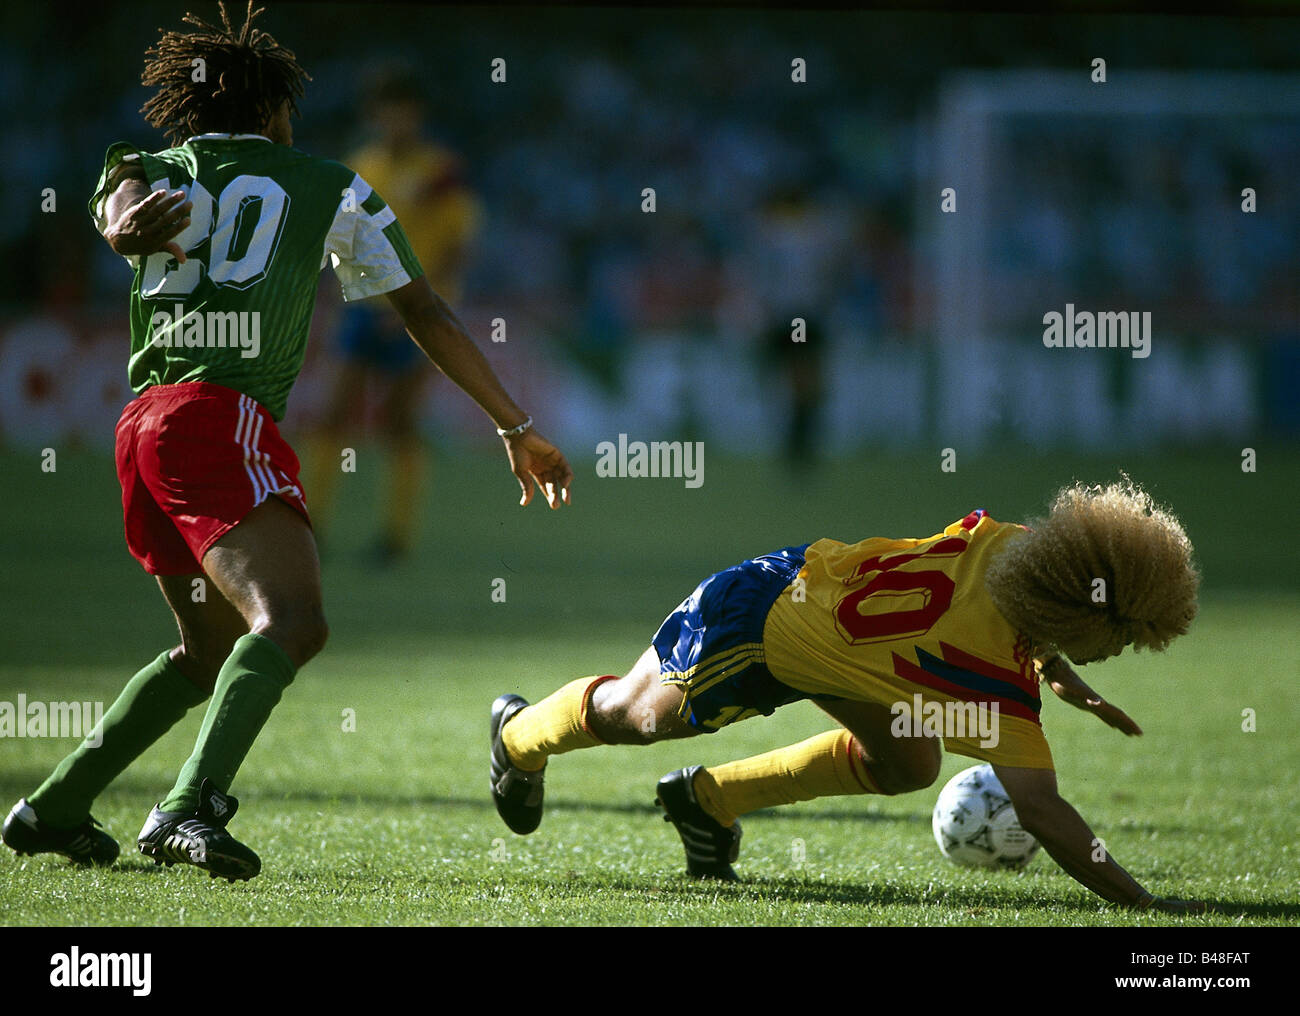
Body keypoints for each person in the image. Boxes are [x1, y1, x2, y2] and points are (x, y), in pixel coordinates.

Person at [2, 1, 572, 882]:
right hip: (218, 418)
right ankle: (187, 808)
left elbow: (116, 210)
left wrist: (120, 227)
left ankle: (55, 807)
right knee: (293, 621)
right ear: (277, 111)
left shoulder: (146, 164)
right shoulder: (331, 185)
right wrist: (516, 424)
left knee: (204, 649)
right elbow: (421, 307)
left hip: (143, 424)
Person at [490, 480, 1207, 914]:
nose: (1120, 652)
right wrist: (1144, 903)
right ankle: (517, 738)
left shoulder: (1017, 551)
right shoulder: (998, 699)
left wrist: (1061, 673)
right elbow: (1045, 811)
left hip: (813, 585)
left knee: (909, 763)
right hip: (757, 634)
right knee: (630, 719)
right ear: (1082, 613)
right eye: (1123, 637)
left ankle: (707, 803)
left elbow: (1019, 622)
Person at [307, 67, 484, 563]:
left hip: (419, 313)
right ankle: (311, 527)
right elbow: (338, 240)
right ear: (375, 115)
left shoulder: (441, 170)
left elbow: (457, 243)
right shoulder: (360, 167)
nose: (396, 120)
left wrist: (418, 301)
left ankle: (395, 538)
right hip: (364, 307)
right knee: (332, 415)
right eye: (388, 110)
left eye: (404, 110)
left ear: (418, 116)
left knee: (399, 422)